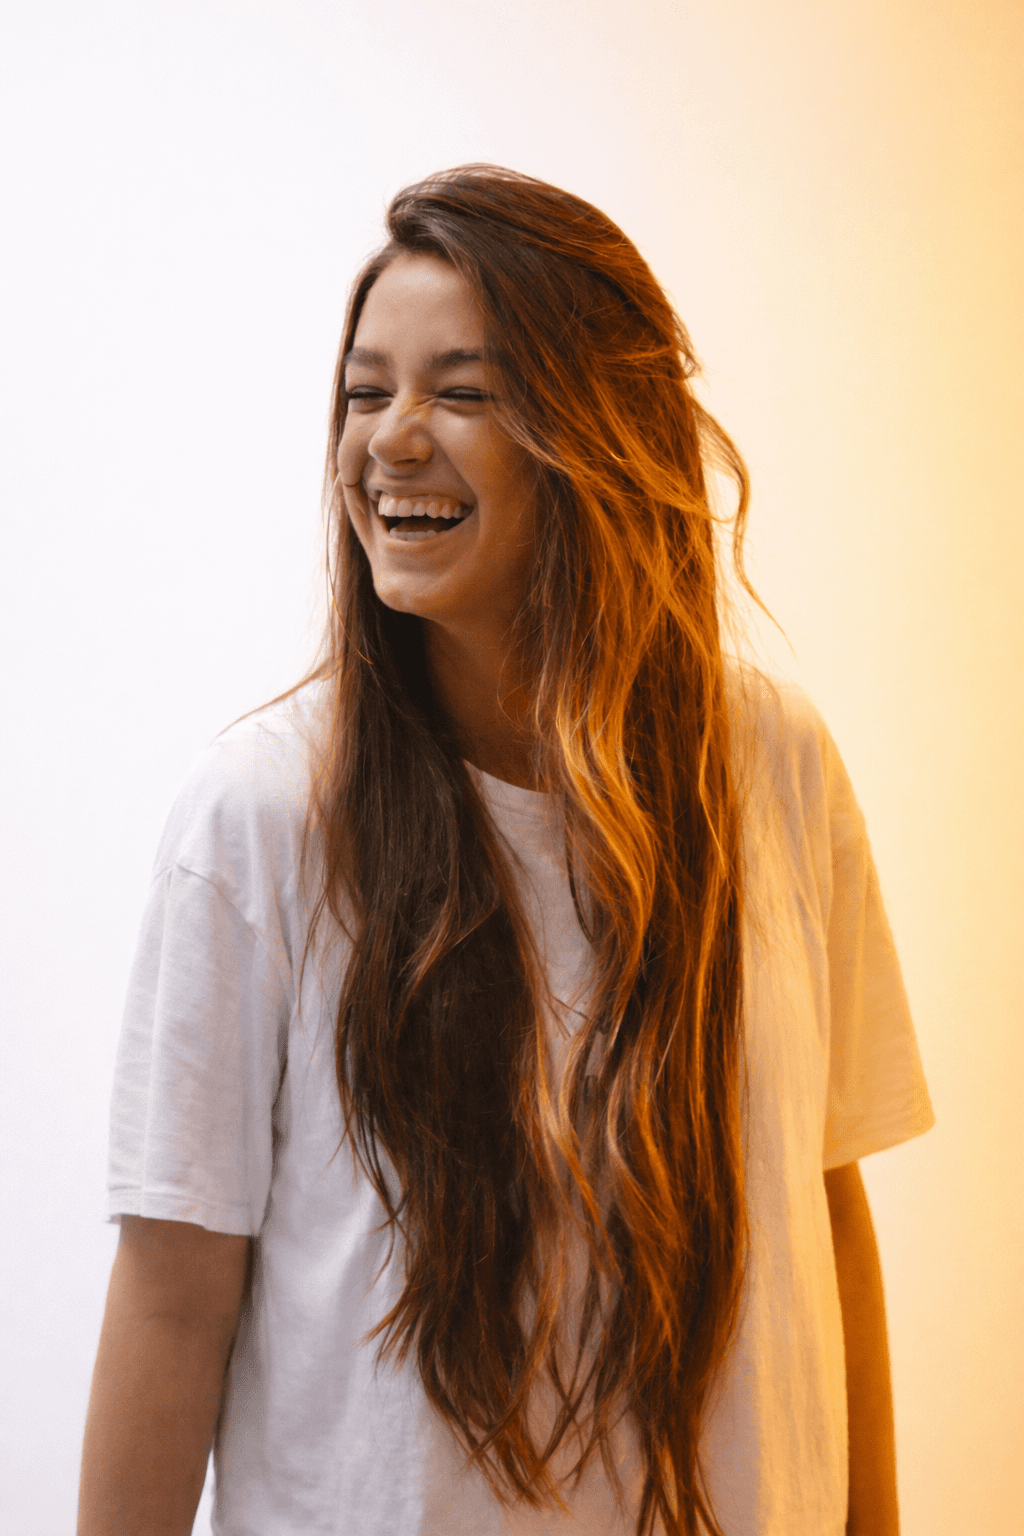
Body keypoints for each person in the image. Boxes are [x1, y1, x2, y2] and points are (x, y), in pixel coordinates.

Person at [77, 165, 934, 1536]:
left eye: (462, 393)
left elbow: (824, 1211)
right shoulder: (260, 816)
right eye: (365, 393)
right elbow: (175, 1297)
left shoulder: (772, 763)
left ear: (600, 429)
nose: (391, 441)